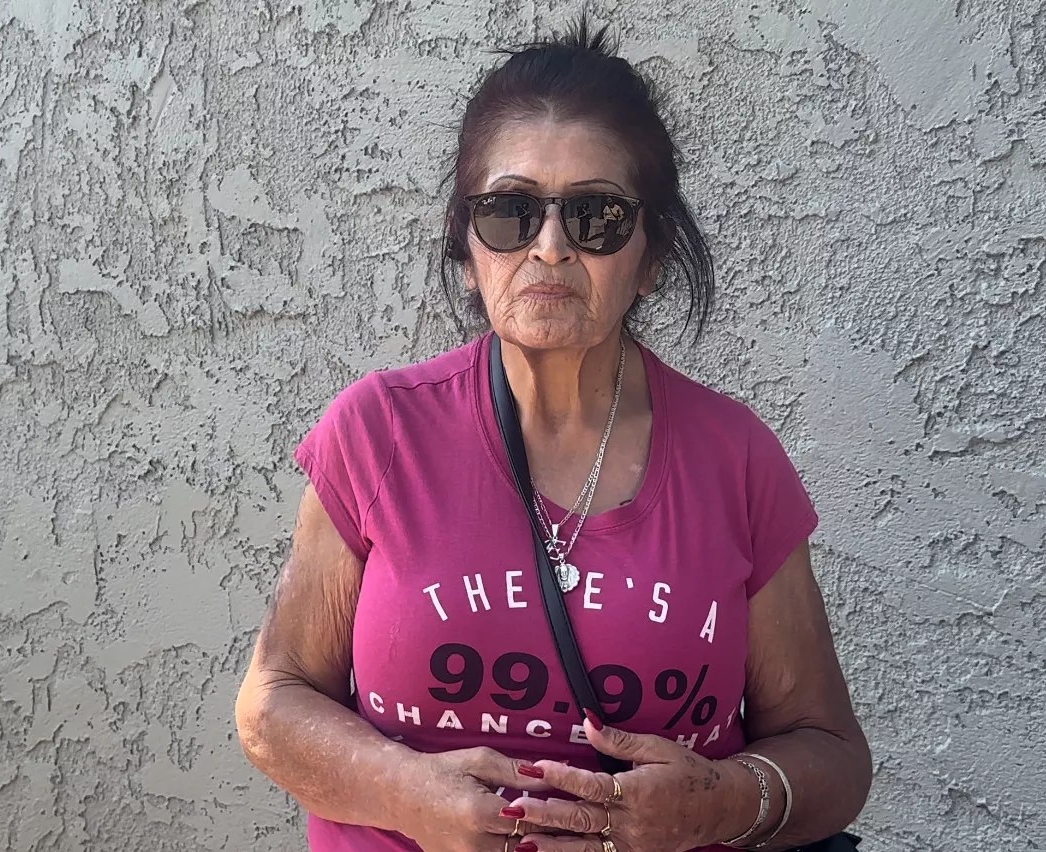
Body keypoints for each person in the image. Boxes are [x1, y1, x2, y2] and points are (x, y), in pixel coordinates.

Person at [235, 17, 871, 852]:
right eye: (509, 211)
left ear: (650, 258)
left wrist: (715, 806)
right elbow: (272, 704)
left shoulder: (735, 459)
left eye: (595, 216)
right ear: (466, 248)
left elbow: (831, 755)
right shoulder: (379, 431)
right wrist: (409, 795)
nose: (549, 248)